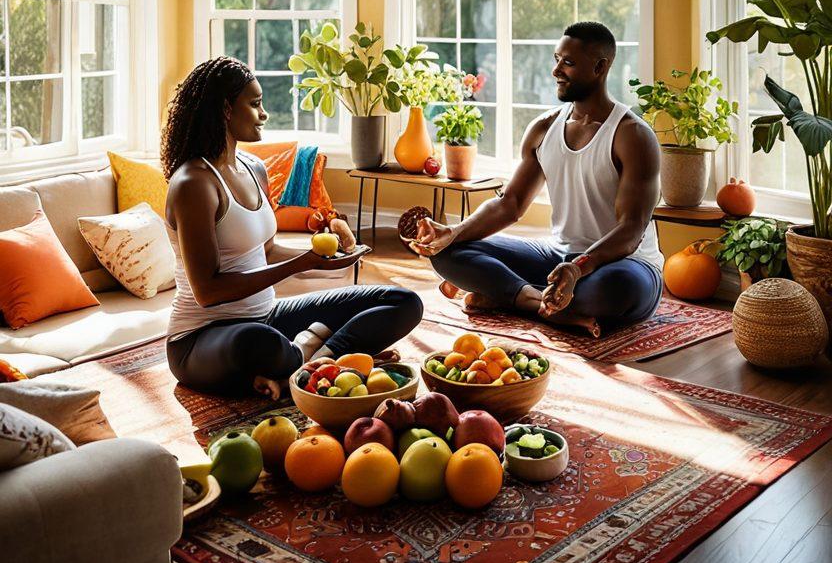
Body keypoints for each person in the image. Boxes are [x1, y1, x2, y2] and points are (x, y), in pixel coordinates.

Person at [162, 56, 423, 397]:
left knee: (403, 302)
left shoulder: (254, 168)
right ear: (226, 109)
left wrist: (321, 258)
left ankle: (305, 367)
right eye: (255, 104)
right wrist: (301, 265)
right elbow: (208, 292)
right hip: (202, 339)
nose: (264, 114)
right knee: (260, 342)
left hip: (267, 315)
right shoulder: (194, 183)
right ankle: (320, 355)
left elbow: (267, 251)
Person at [412, 22, 663, 338]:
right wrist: (453, 232)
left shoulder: (632, 136)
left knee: (613, 289)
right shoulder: (544, 128)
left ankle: (507, 293)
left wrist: (578, 268)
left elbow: (631, 230)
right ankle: (540, 304)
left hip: (626, 264)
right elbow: (510, 203)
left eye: (568, 63)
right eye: (557, 59)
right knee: (446, 252)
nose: (556, 70)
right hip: (558, 257)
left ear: (600, 67)